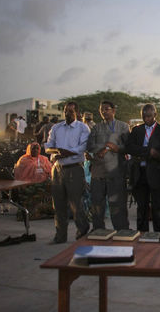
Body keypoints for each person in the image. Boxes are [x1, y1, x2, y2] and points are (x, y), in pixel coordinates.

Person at [44, 102, 90, 244]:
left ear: (77, 112)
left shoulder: (83, 128)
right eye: (65, 112)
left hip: (74, 168)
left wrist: (65, 153)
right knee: (58, 205)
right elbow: (48, 147)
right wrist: (57, 152)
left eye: (70, 112)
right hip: (58, 169)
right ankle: (60, 235)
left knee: (76, 204)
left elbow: (82, 148)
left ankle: (82, 232)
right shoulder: (57, 127)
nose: (67, 114)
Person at [126, 103, 160, 232]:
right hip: (139, 174)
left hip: (157, 174)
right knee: (141, 208)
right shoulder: (136, 130)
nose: (146, 118)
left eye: (149, 116)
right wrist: (148, 151)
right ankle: (141, 235)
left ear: (155, 115)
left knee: (159, 208)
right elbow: (130, 147)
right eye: (144, 116)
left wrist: (158, 154)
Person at [86, 100, 130, 231]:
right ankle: (99, 231)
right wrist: (107, 146)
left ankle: (122, 231)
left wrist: (116, 148)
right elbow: (90, 146)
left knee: (118, 205)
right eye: (101, 109)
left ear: (113, 110)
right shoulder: (96, 128)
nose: (104, 112)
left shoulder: (123, 127)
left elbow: (128, 147)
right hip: (98, 172)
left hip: (116, 172)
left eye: (106, 109)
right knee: (97, 204)